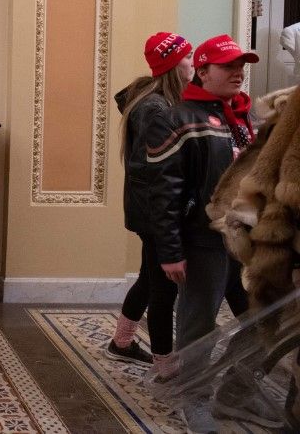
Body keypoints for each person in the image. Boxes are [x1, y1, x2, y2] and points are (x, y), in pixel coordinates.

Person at [145, 34, 263, 432]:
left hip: (246, 241)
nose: (239, 73)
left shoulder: (245, 117)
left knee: (265, 320)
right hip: (202, 242)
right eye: (228, 66)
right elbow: (164, 195)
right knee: (198, 328)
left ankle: (235, 393)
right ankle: (193, 398)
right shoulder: (177, 117)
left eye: (241, 66)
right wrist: (170, 250)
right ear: (202, 69)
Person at [105, 32, 193, 377]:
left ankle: (122, 342)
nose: (193, 62)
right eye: (188, 56)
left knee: (149, 277)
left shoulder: (154, 100)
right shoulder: (156, 109)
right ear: (173, 64)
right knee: (163, 290)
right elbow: (158, 170)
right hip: (157, 211)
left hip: (150, 209)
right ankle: (166, 368)